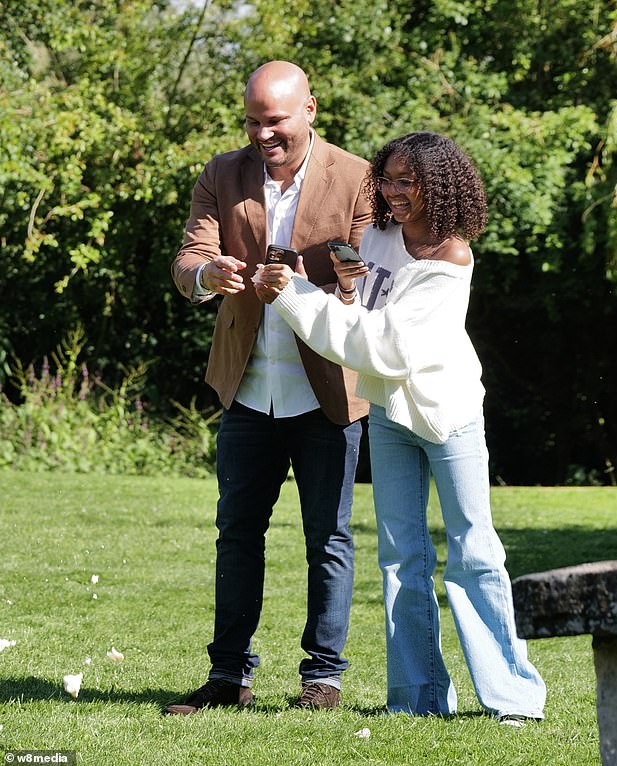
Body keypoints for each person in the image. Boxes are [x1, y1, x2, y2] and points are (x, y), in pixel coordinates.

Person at [256, 131, 547, 722]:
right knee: (399, 557)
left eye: (406, 182)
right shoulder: (382, 238)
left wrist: (293, 295)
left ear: (438, 185)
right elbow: (359, 315)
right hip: (389, 414)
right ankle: (417, 699)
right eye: (387, 180)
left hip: (448, 415)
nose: (393, 192)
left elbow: (385, 348)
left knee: (474, 553)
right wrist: (337, 287)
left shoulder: (450, 258)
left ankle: (513, 698)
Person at [164, 61, 371, 714]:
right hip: (250, 391)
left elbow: (366, 277)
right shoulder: (220, 174)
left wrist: (305, 282)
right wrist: (210, 274)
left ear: (310, 107)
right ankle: (228, 678)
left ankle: (323, 680)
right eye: (253, 121)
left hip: (328, 392)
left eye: (275, 120)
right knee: (237, 535)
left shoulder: (359, 176)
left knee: (328, 539)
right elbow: (188, 259)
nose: (262, 133)